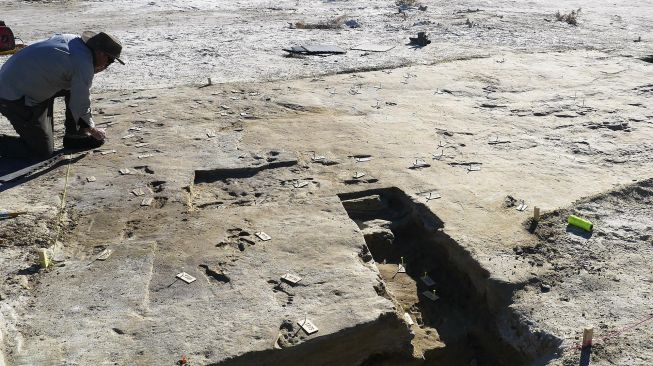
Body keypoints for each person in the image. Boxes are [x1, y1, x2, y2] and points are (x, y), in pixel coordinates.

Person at [0, 31, 124, 158]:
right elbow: (80, 103)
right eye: (110, 60)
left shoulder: (74, 40)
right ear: (100, 53)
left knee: (74, 86)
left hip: (18, 81)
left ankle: (75, 136)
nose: (107, 66)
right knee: (41, 152)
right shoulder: (82, 63)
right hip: (13, 97)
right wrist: (93, 130)